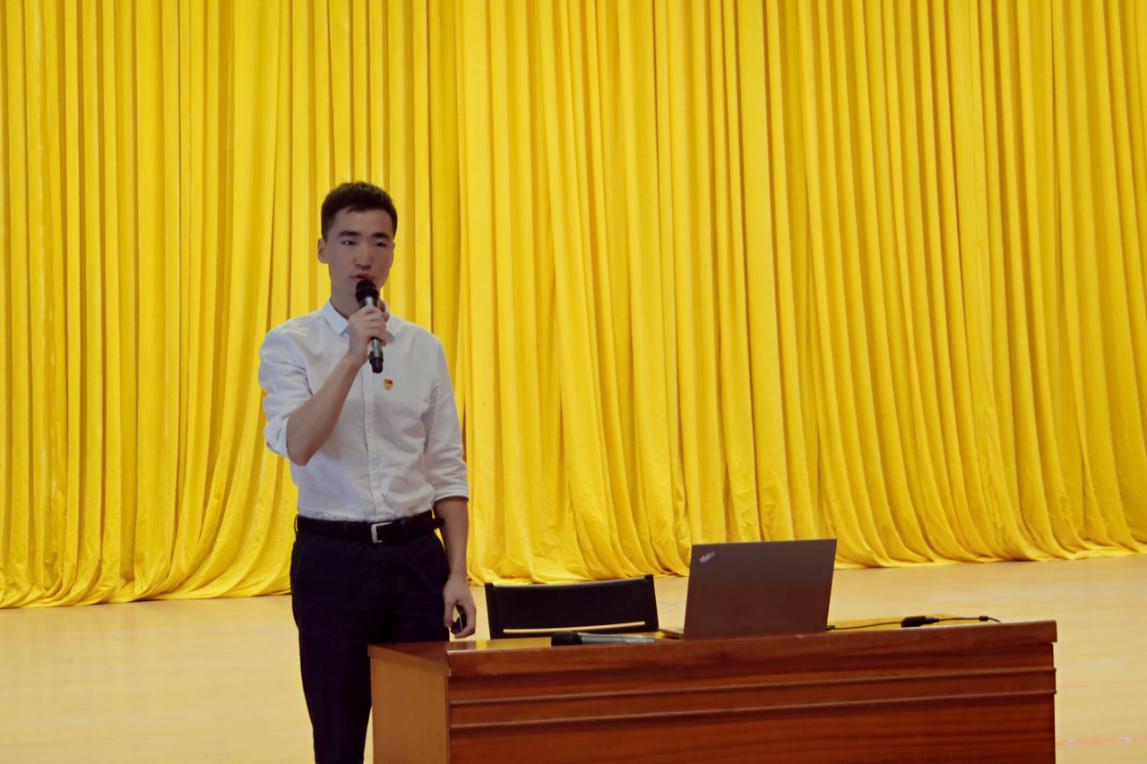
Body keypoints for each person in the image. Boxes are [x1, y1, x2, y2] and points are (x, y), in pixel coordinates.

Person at [258, 182, 477, 763]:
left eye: (380, 242)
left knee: (423, 735)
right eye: (349, 240)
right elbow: (299, 444)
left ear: (393, 253)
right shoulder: (290, 345)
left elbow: (447, 468)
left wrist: (458, 572)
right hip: (334, 561)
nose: (365, 256)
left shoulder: (423, 349)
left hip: (416, 557)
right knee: (338, 735)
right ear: (322, 249)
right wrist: (352, 357)